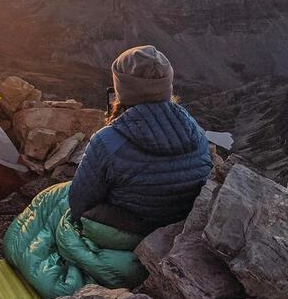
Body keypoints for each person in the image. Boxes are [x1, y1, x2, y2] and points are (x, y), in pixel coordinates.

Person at [68, 45, 212, 234]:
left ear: (122, 90)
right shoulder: (194, 128)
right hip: (182, 227)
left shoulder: (107, 140)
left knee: (53, 200)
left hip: (132, 232)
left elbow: (78, 205)